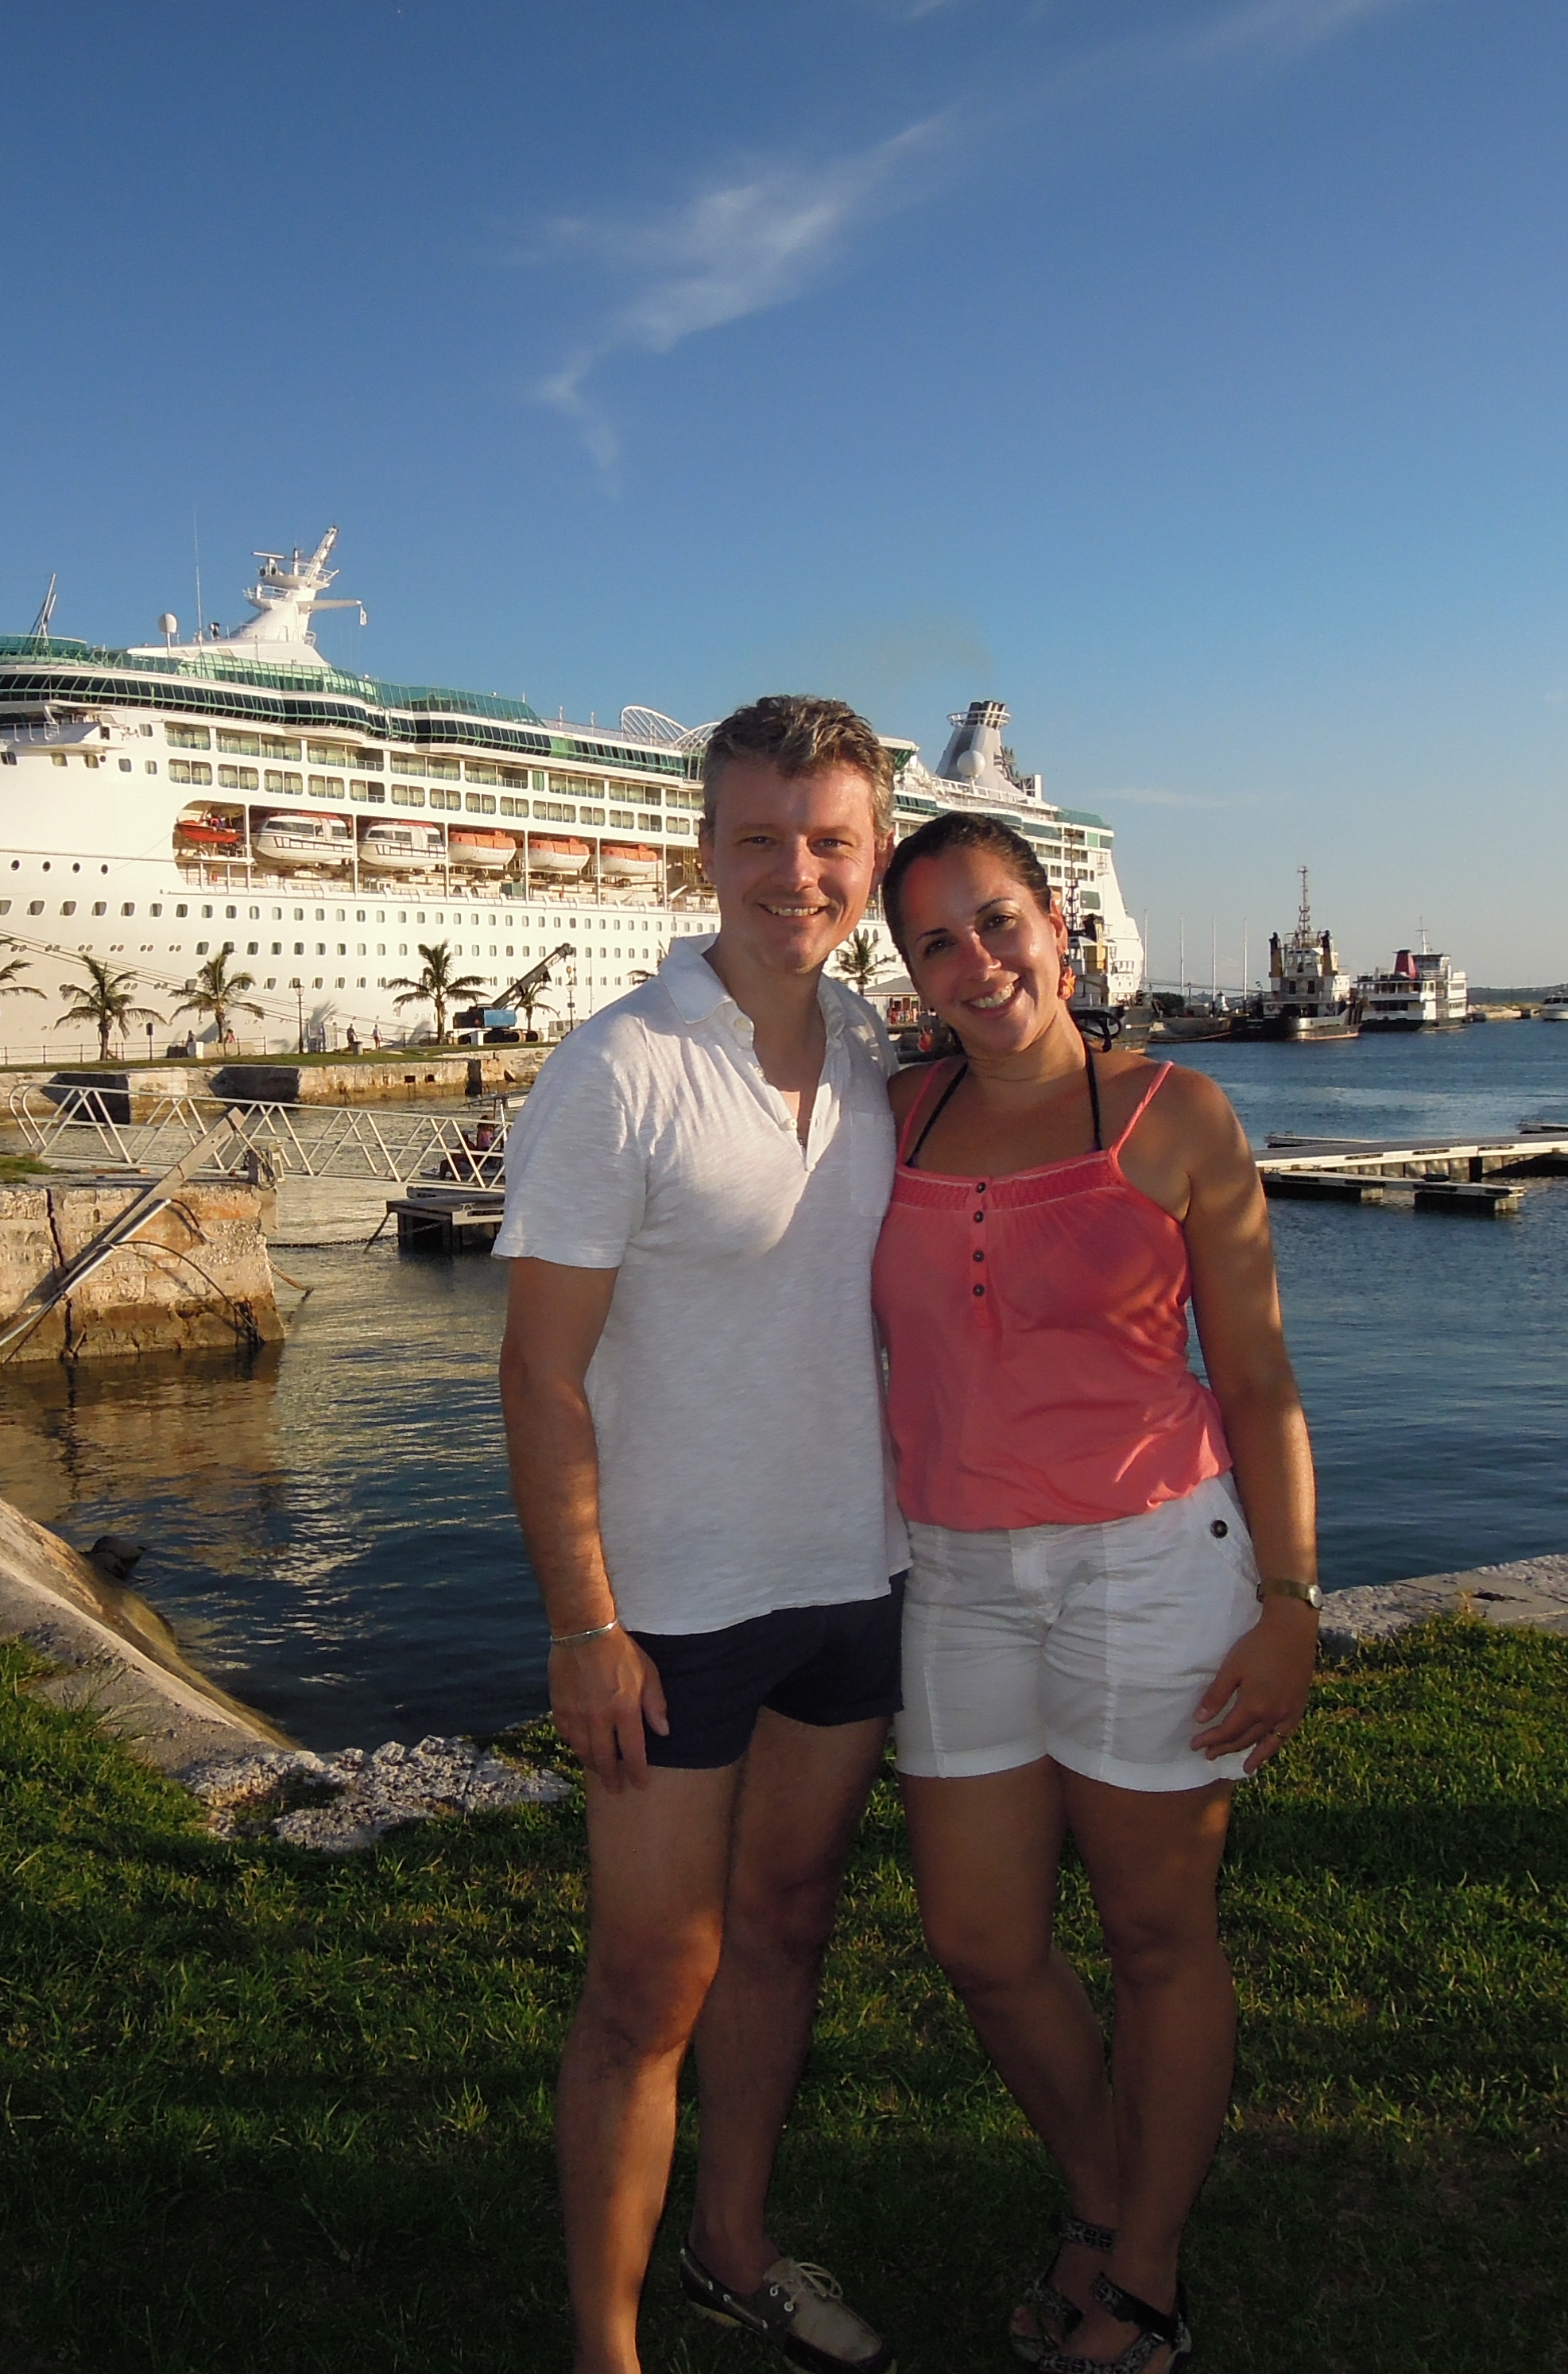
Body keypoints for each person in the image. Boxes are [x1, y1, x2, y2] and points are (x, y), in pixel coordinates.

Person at [870, 812, 1318, 2374]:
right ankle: (1105, 2191)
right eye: (935, 940)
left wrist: (1288, 1597)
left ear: (1056, 923)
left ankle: (1141, 2272)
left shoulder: (1175, 1116)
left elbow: (1256, 1378)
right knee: (980, 1939)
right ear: (909, 973)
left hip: (1151, 1556)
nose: (976, 962)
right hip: (952, 1571)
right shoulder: (893, 1118)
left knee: (1154, 1934)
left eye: (996, 920)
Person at [498, 695, 907, 2374]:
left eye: (828, 843)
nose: (793, 874)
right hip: (668, 1609)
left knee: (789, 1925)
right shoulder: (619, 1067)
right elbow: (537, 1373)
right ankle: (605, 2352)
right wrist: (583, 1622)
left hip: (852, 1581)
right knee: (647, 1985)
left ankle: (731, 2248)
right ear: (705, 851)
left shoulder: (876, 1054)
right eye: (758, 839)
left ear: (873, 854)